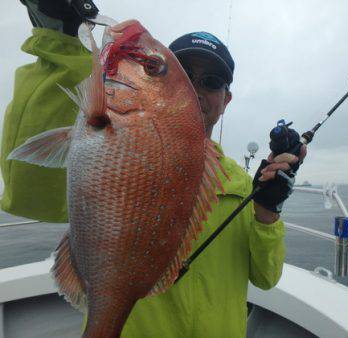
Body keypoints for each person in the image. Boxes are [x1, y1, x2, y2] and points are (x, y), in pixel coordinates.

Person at [1, 1, 306, 337]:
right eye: (184, 73)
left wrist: (268, 208)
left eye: (212, 80)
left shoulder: (240, 184)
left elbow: (266, 276)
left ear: (226, 99)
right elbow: (27, 193)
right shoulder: (99, 140)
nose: (197, 88)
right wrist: (56, 34)